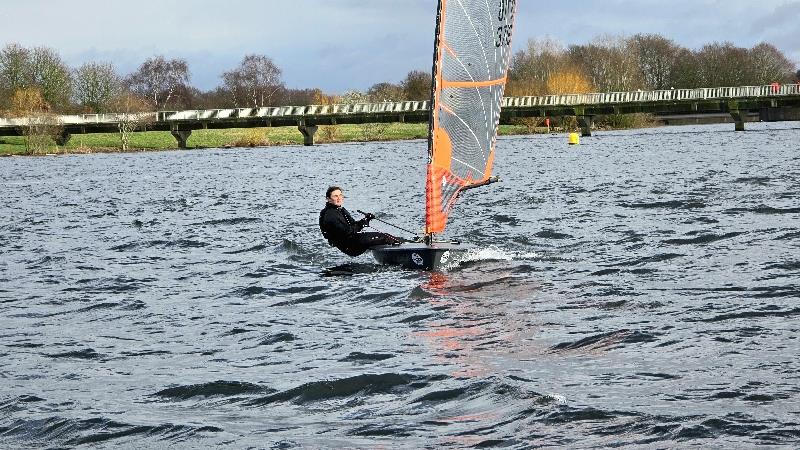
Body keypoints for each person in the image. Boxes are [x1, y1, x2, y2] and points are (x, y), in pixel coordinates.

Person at [319, 186, 400, 257]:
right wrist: (362, 223)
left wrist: (366, 219)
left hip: (352, 241)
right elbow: (347, 231)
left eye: (340, 195)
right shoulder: (330, 215)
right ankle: (403, 246)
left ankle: (401, 243)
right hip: (350, 245)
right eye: (335, 196)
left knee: (385, 236)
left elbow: (353, 225)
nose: (339, 198)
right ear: (328, 199)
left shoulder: (338, 210)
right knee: (386, 237)